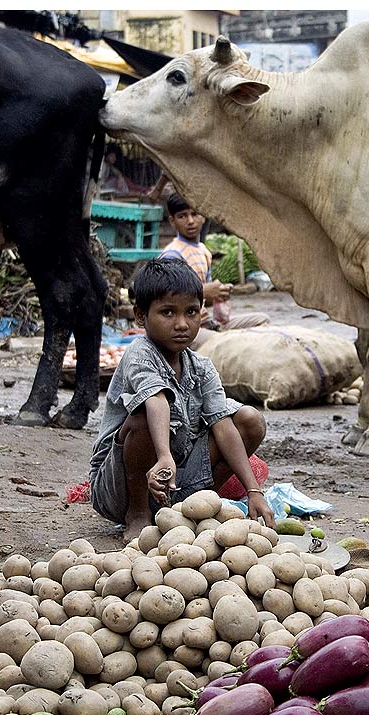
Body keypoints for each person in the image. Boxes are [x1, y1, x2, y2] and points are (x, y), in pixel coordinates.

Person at [89, 256, 275, 541]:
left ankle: (194, 506)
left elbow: (223, 426)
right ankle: (138, 513)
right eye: (167, 313)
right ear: (141, 316)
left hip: (175, 477)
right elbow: (157, 401)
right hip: (119, 487)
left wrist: (253, 490)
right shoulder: (140, 354)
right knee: (141, 418)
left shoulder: (201, 367)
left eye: (191, 312)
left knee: (249, 420)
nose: (182, 324)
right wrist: (163, 456)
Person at [160, 192, 270, 349]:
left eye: (195, 214)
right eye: (182, 216)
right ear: (172, 221)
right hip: (185, 328)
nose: (190, 221)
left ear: (204, 216)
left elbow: (205, 300)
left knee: (262, 320)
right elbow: (167, 300)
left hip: (207, 321)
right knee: (224, 342)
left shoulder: (203, 251)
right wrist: (204, 291)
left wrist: (219, 293)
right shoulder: (173, 254)